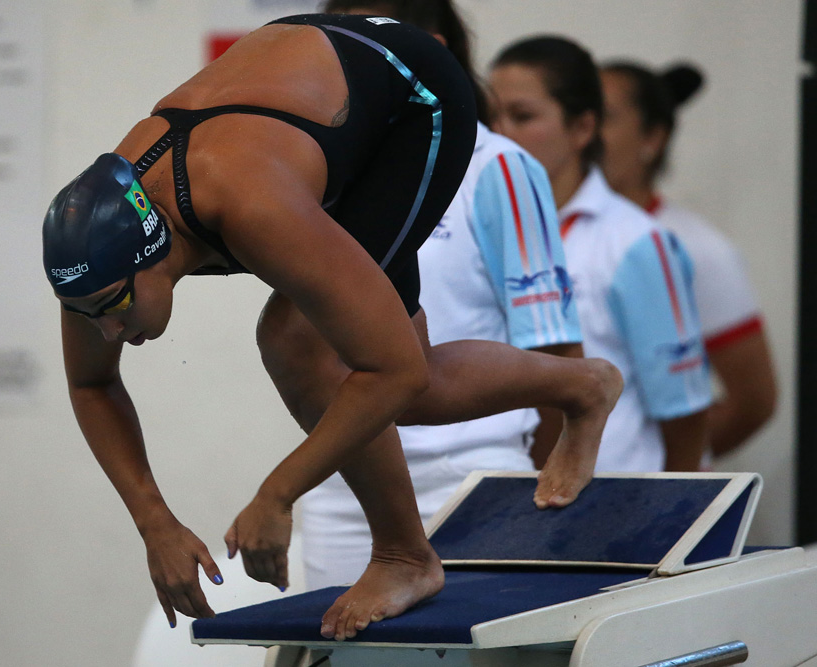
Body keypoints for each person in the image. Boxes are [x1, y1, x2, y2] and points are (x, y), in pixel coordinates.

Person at [42, 15, 622, 642]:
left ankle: (404, 556)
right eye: (87, 314)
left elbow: (391, 372)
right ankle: (583, 387)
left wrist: (278, 493)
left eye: (113, 307)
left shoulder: (248, 205)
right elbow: (90, 387)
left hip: (412, 99)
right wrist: (154, 523)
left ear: (155, 254)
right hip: (313, 100)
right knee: (398, 379)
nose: (107, 329)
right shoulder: (95, 253)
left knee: (303, 343)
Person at [301, 0, 584, 590]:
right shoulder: (319, 171)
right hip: (344, 483)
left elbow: (557, 354)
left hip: (469, 479)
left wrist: (550, 495)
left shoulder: (498, 165)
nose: (345, 67)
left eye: (364, 49)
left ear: (431, 52)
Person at [489, 36, 712, 473]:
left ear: (582, 129)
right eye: (492, 116)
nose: (500, 134)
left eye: (522, 116)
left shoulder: (634, 241)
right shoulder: (483, 228)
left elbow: (684, 409)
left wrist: (668, 526)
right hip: (506, 496)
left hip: (612, 505)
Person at [599, 61, 777, 458]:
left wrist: (670, 472)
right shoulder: (549, 235)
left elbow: (753, 400)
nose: (588, 130)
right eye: (580, 112)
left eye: (605, 116)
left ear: (653, 137)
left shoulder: (697, 249)